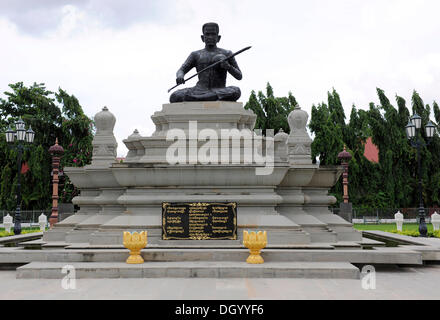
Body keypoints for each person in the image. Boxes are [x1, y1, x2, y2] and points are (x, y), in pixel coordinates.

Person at [169, 22, 242, 103]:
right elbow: (181, 70)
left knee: (236, 91)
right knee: (175, 96)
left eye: (213, 34)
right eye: (207, 34)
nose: (210, 37)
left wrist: (228, 67)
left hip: (219, 90)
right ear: (202, 37)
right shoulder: (195, 55)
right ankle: (207, 97)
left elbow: (239, 76)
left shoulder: (227, 53)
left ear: (218, 38)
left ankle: (201, 98)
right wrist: (180, 76)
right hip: (198, 90)